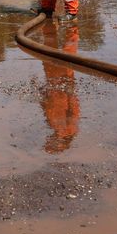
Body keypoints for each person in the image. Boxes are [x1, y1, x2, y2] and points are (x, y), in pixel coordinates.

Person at [40, 22, 81, 154]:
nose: (49, 139)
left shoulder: (56, 128)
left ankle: (63, 31)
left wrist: (43, 97)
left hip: (55, 86)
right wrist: (70, 91)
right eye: (50, 143)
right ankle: (72, 31)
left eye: (48, 141)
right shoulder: (69, 129)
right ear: (60, 143)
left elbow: (47, 110)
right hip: (62, 83)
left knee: (50, 53)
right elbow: (73, 110)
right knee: (68, 53)